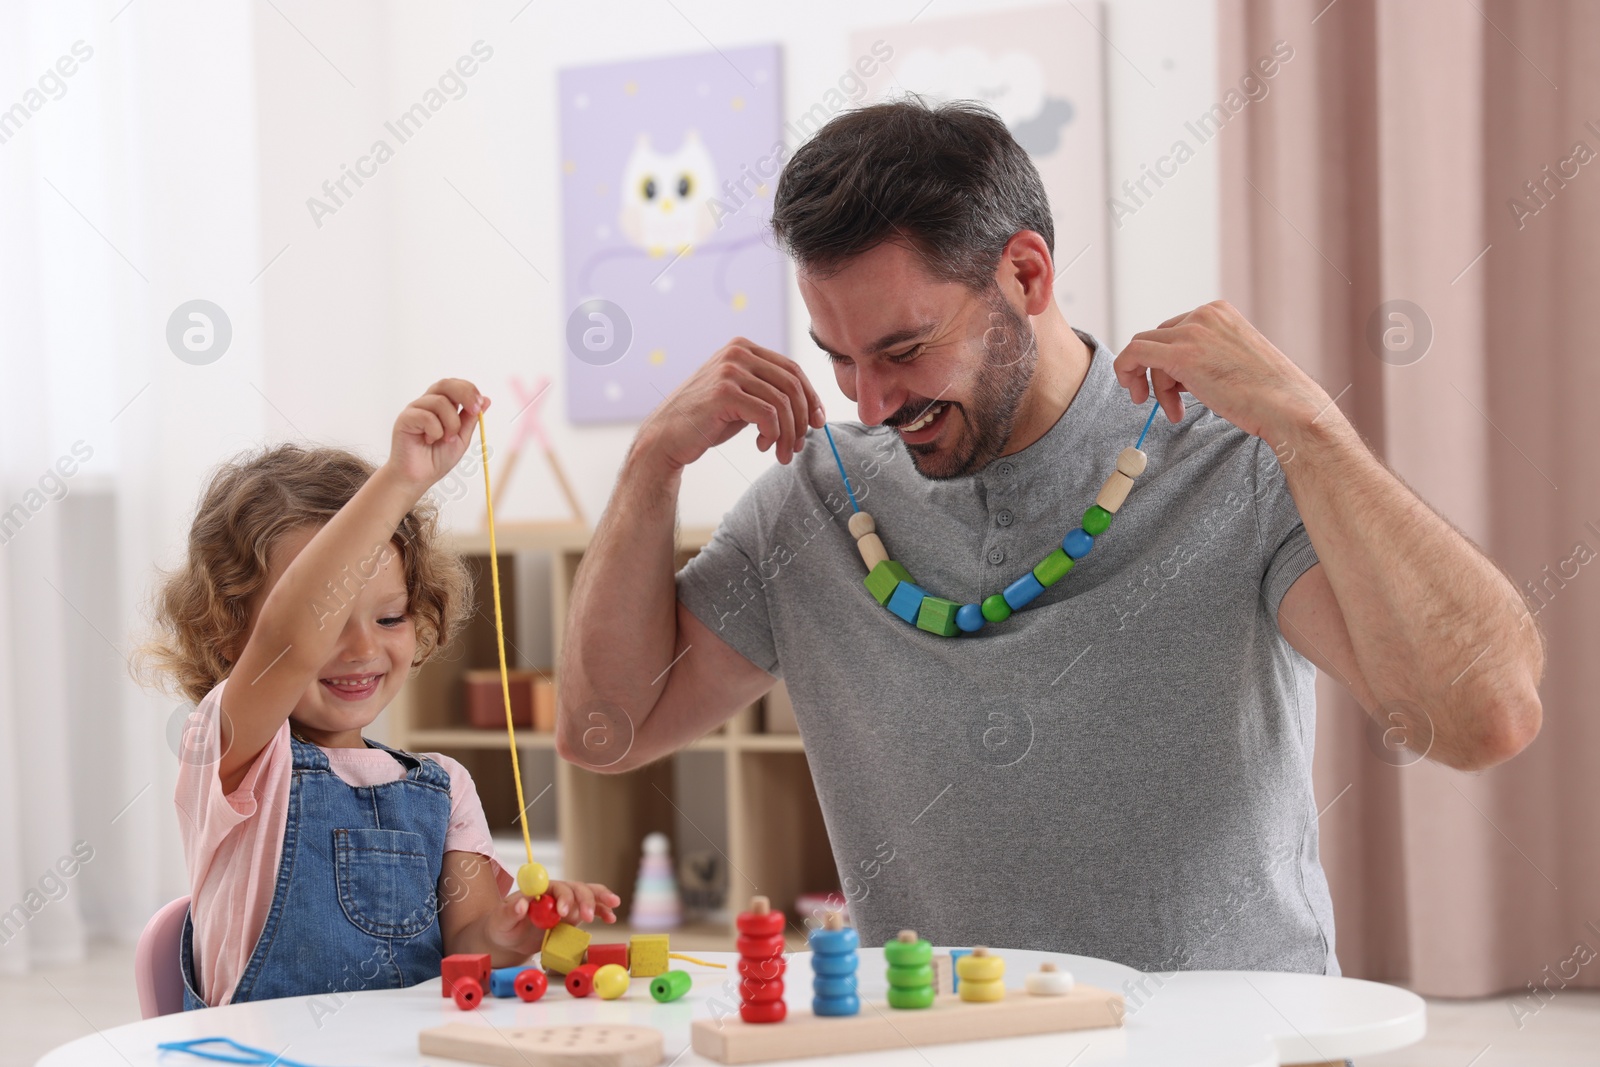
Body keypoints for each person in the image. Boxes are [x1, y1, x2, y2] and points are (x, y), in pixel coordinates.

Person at [557, 99, 1544, 976]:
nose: (869, 400)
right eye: (839, 358)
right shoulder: (814, 501)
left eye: (903, 349)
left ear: (1024, 274)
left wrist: (1314, 431)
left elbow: (1481, 715)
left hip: (1235, 1048)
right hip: (946, 1047)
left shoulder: (1230, 467)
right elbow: (606, 731)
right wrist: (651, 463)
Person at [139, 380, 618, 1008]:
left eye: (389, 618)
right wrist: (399, 482)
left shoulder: (444, 788)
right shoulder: (233, 750)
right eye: (329, 623)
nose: (362, 649)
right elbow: (289, 635)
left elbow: (466, 943)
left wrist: (511, 931)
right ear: (231, 635)